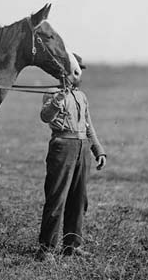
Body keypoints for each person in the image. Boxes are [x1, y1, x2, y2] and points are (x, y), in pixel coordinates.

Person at [36, 58, 106, 261]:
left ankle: (72, 246)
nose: (76, 75)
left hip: (83, 147)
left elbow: (88, 125)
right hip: (62, 147)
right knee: (57, 197)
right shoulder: (51, 92)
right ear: (61, 72)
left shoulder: (82, 96)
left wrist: (98, 150)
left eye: (78, 72)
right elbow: (45, 117)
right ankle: (46, 249)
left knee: (79, 199)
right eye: (72, 71)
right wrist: (58, 100)